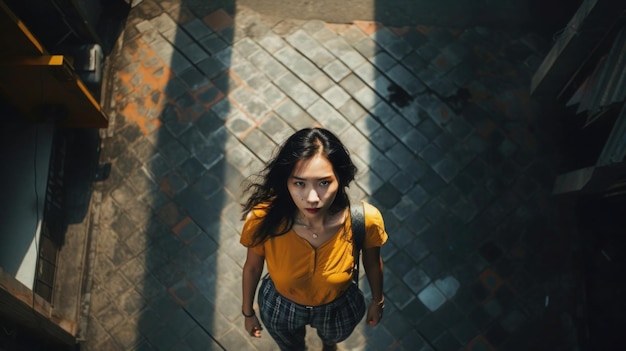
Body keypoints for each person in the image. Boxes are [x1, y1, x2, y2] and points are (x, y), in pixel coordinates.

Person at [240, 127, 388, 351]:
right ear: (286, 182)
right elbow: (252, 267)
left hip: (339, 307)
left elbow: (373, 264)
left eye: (324, 183)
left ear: (340, 179)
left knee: (332, 341)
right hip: (280, 306)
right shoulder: (264, 219)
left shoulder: (364, 220)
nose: (312, 198)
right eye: (299, 183)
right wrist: (248, 313)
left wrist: (377, 301)